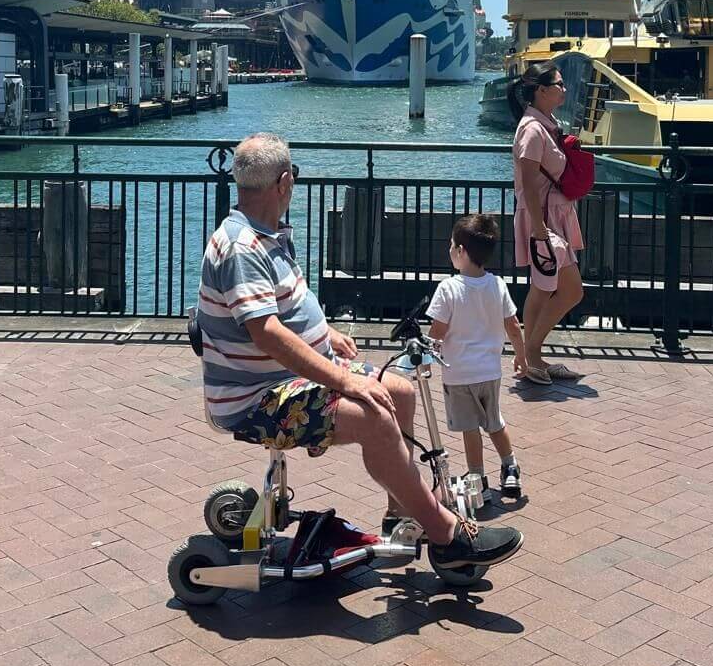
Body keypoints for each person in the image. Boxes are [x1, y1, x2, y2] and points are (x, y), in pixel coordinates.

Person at [195, 132, 523, 569]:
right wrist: (344, 380)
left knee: (400, 391)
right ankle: (447, 535)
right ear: (285, 182)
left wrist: (324, 332)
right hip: (257, 397)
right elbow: (266, 333)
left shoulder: (267, 235)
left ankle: (401, 516)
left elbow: (281, 310)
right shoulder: (243, 246)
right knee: (375, 418)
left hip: (287, 379)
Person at [427, 213, 524, 500]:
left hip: (459, 373)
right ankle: (510, 467)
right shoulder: (497, 285)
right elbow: (513, 325)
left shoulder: (448, 288)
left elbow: (437, 332)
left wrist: (428, 357)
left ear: (460, 251)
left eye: (451, 246)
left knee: (470, 428)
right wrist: (520, 356)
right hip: (490, 371)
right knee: (494, 421)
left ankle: (477, 477)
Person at [509, 63, 586, 385]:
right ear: (541, 90)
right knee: (562, 289)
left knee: (547, 287)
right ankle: (529, 354)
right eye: (559, 84)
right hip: (543, 218)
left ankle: (532, 356)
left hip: (551, 216)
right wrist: (540, 229)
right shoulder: (532, 129)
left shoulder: (546, 125)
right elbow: (527, 183)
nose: (564, 89)